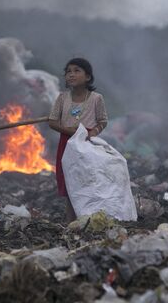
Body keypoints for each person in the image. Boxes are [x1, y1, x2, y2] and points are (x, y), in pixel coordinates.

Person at [48, 58, 108, 221]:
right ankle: (71, 222)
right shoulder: (62, 98)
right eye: (68, 71)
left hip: (87, 144)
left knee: (87, 180)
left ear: (88, 77)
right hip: (67, 144)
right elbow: (52, 121)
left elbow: (103, 121)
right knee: (70, 183)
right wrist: (69, 131)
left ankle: (89, 219)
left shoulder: (96, 98)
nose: (71, 75)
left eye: (76, 71)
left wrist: (93, 132)